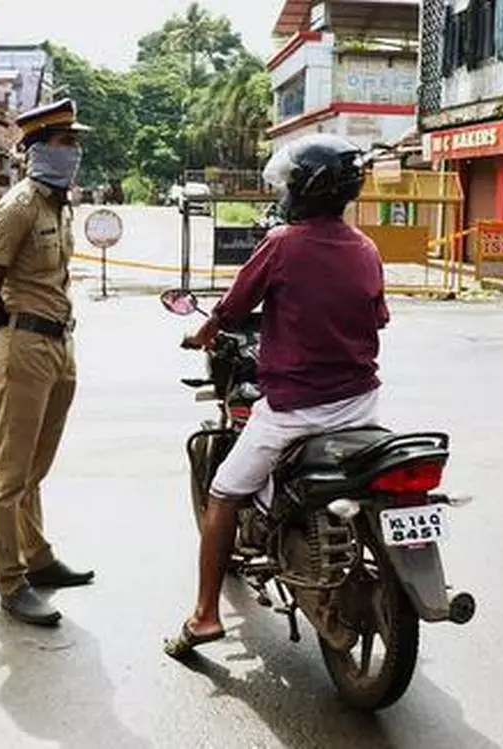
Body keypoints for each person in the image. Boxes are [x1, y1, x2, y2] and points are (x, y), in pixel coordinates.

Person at [163, 134, 390, 657]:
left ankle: (204, 617)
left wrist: (205, 331)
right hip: (362, 406)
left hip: (295, 412)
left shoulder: (284, 243)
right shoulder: (366, 247)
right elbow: (377, 316)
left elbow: (232, 307)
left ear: (304, 189)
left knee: (223, 493)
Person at [0, 99, 94, 627]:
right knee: (10, 474)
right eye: (67, 142)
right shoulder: (20, 205)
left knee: (36, 468)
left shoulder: (59, 205)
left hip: (60, 346)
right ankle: (10, 581)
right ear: (40, 148)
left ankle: (38, 559)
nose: (75, 151)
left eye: (75, 143)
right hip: (26, 346)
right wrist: (12, 333)